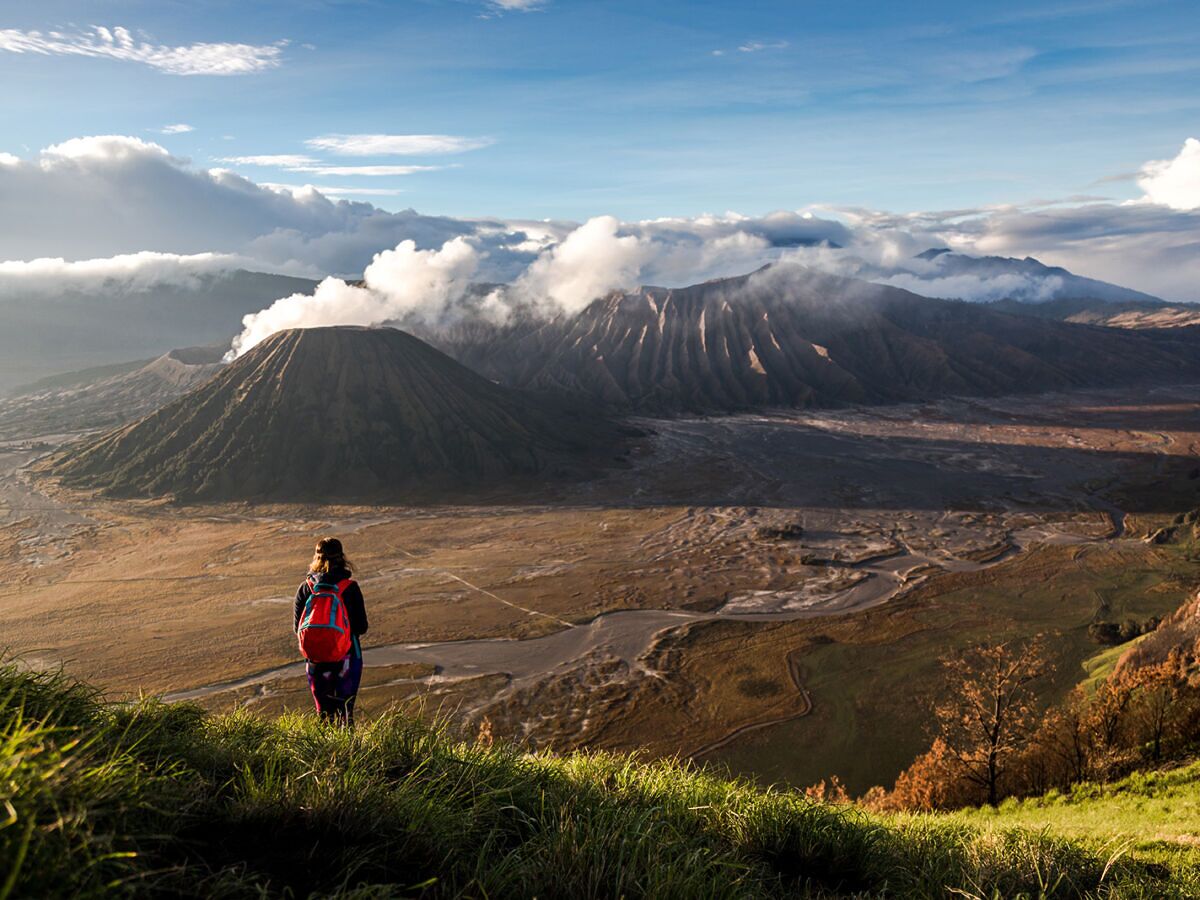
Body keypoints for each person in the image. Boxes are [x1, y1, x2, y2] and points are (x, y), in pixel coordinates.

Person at [294, 537, 368, 726]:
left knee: (323, 716)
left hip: (315, 661)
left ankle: (323, 752)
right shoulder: (350, 588)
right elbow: (361, 627)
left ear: (316, 558)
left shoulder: (305, 588)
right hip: (347, 658)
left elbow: (298, 628)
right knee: (345, 714)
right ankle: (348, 753)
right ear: (342, 558)